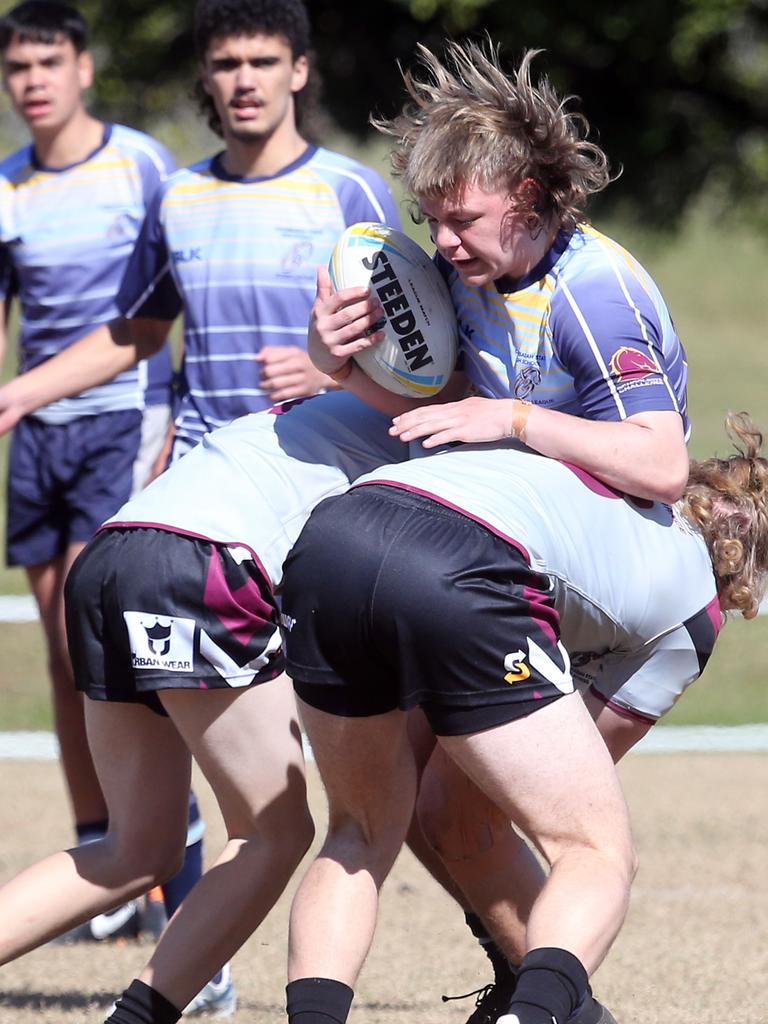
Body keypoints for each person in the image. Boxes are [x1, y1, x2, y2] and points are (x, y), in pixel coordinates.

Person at [279, 412, 768, 1024]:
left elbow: (449, 802)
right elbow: (544, 770)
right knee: (592, 848)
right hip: (463, 562)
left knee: (359, 832)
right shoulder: (694, 615)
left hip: (335, 532)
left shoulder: (602, 480)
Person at [0, 390, 409, 1024]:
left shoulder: (316, 407)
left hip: (110, 555)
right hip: (200, 563)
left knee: (138, 849)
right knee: (274, 831)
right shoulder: (434, 433)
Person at [0, 0, 208, 953]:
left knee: (109, 652)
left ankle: (167, 868)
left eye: (48, 61)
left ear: (84, 68)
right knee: (57, 651)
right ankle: (103, 863)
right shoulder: (7, 184)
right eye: (16, 68)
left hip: (118, 423)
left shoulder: (142, 165)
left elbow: (165, 311)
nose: (32, 80)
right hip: (34, 434)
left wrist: (171, 423)